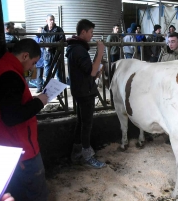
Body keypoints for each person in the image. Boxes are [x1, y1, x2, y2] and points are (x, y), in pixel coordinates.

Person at [0, 39, 49, 200]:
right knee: (36, 194)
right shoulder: (10, 77)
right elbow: (12, 116)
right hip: (22, 151)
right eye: (33, 63)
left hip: (3, 145)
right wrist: (39, 102)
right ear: (25, 56)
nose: (32, 68)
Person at [65, 19, 106, 169]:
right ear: (83, 32)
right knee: (86, 125)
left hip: (80, 90)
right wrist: (100, 50)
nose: (91, 35)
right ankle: (88, 156)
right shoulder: (79, 50)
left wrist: (95, 72)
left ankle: (76, 153)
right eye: (90, 32)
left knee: (81, 122)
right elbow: (92, 71)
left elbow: (88, 72)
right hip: (85, 93)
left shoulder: (74, 48)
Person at [40, 14, 66, 84]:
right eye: (50, 20)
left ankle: (60, 92)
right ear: (46, 21)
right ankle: (48, 92)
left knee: (59, 74)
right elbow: (41, 41)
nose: (52, 21)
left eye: (53, 20)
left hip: (56, 54)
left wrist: (53, 45)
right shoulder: (43, 31)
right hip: (47, 56)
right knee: (47, 74)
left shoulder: (59, 29)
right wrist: (45, 46)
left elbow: (63, 40)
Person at [32, 27, 45, 93]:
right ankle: (39, 87)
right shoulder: (35, 39)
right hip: (39, 60)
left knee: (48, 74)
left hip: (46, 58)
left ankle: (47, 88)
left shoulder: (44, 37)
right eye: (38, 30)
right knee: (39, 74)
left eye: (41, 31)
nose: (39, 32)